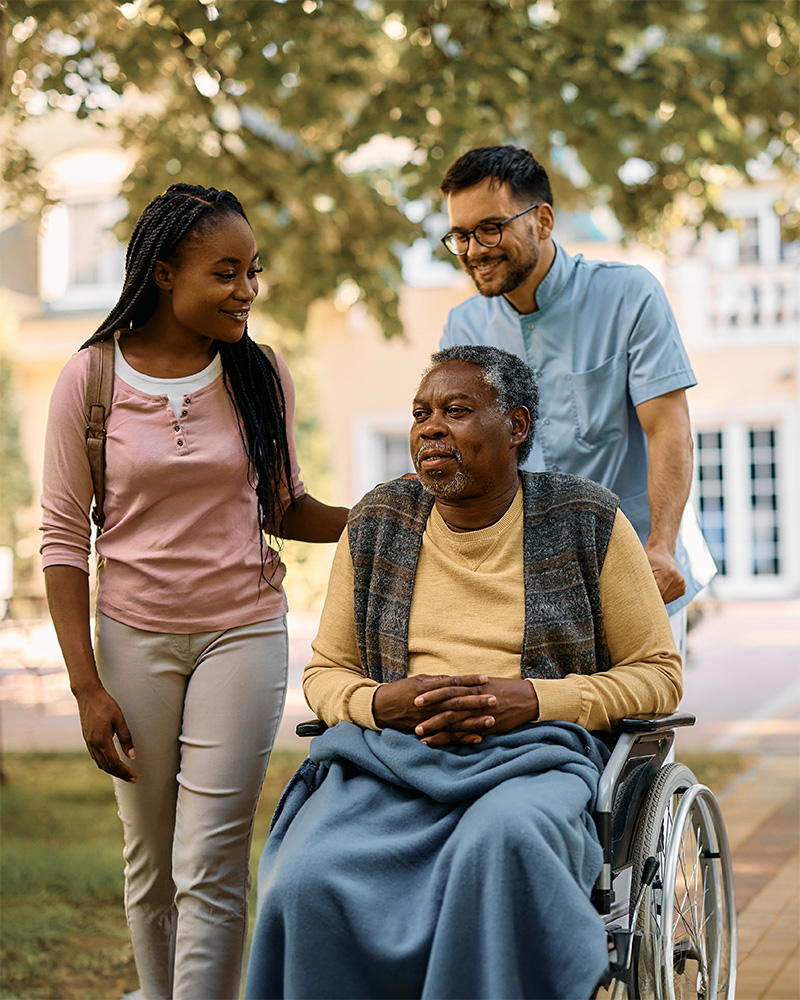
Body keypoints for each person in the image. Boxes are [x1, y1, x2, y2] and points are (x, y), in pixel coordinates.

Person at [244, 345, 681, 1000]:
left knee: (498, 845)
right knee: (305, 876)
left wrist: (532, 700)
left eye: (456, 410)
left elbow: (658, 675)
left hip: (533, 760)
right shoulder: (378, 522)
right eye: (421, 413)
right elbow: (328, 672)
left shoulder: (586, 519)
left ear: (517, 426)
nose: (430, 428)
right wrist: (379, 703)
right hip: (391, 760)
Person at [40, 183, 349, 1000]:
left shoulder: (258, 372)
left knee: (208, 858)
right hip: (133, 637)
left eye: (254, 272)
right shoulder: (91, 379)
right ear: (166, 273)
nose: (247, 290)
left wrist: (382, 517)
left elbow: (285, 507)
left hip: (241, 633)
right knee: (150, 861)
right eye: (227, 272)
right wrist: (85, 687)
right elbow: (64, 540)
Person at [438, 145, 716, 659]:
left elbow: (669, 429)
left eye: (490, 228)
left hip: (639, 571)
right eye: (461, 235)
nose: (474, 248)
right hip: (531, 590)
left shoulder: (630, 295)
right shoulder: (463, 326)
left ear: (542, 220)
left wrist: (662, 543)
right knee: (549, 736)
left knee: (639, 734)